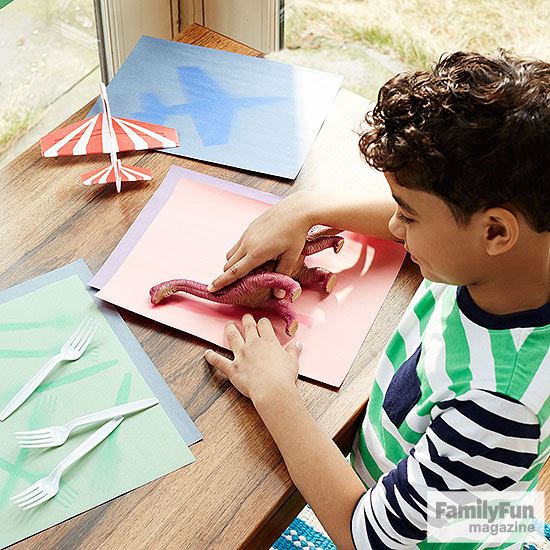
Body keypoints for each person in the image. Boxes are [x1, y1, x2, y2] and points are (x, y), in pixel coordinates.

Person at [204, 50, 550, 549]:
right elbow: (442, 220)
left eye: (407, 216)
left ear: (495, 230)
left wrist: (274, 393)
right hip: (454, 494)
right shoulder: (512, 259)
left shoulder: (497, 411)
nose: (392, 226)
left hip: (430, 527)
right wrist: (307, 209)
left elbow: (367, 537)